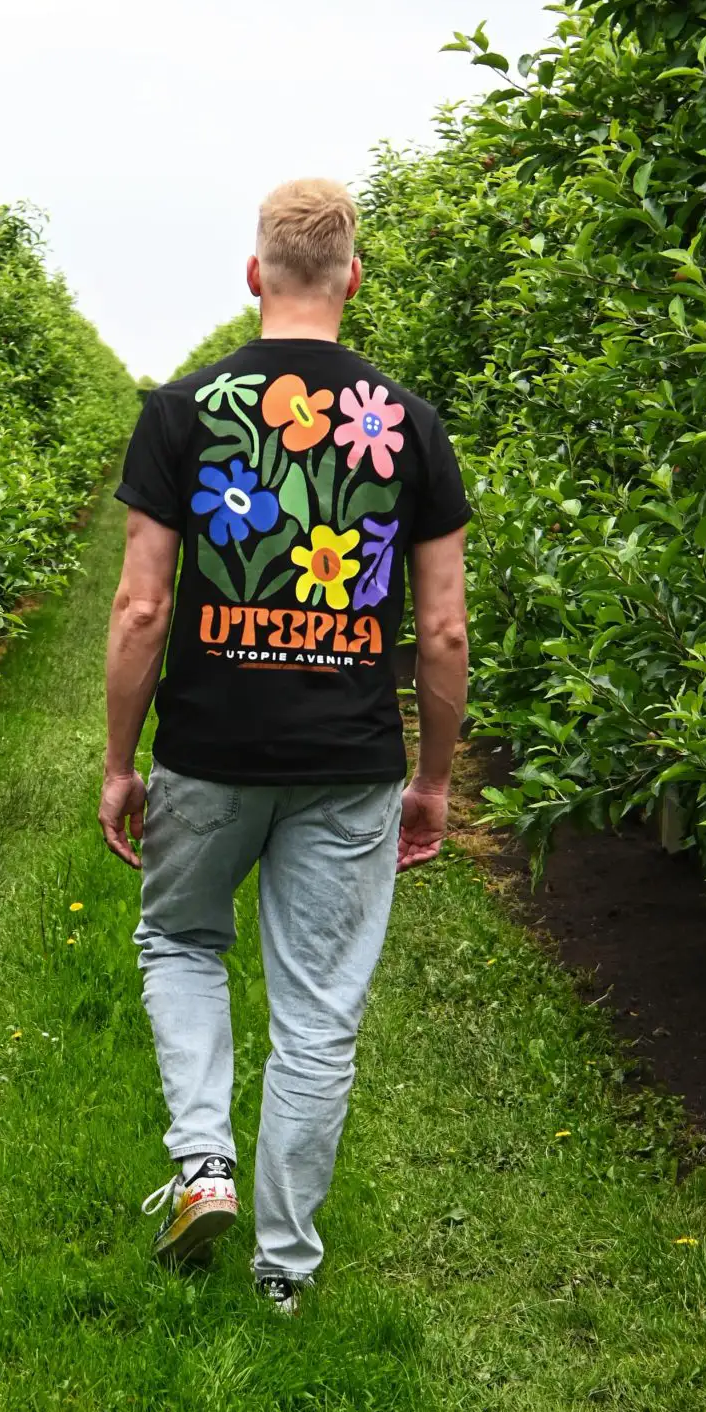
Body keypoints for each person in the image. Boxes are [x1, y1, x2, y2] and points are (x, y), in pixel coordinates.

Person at [100, 177, 469, 1313]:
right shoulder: (407, 424)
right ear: (351, 278)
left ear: (255, 275)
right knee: (318, 1014)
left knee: (180, 939)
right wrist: (436, 777)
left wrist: (122, 758)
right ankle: (283, 1275)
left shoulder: (181, 412)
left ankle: (202, 1164)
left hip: (209, 749)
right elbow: (445, 626)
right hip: (347, 760)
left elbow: (141, 609)